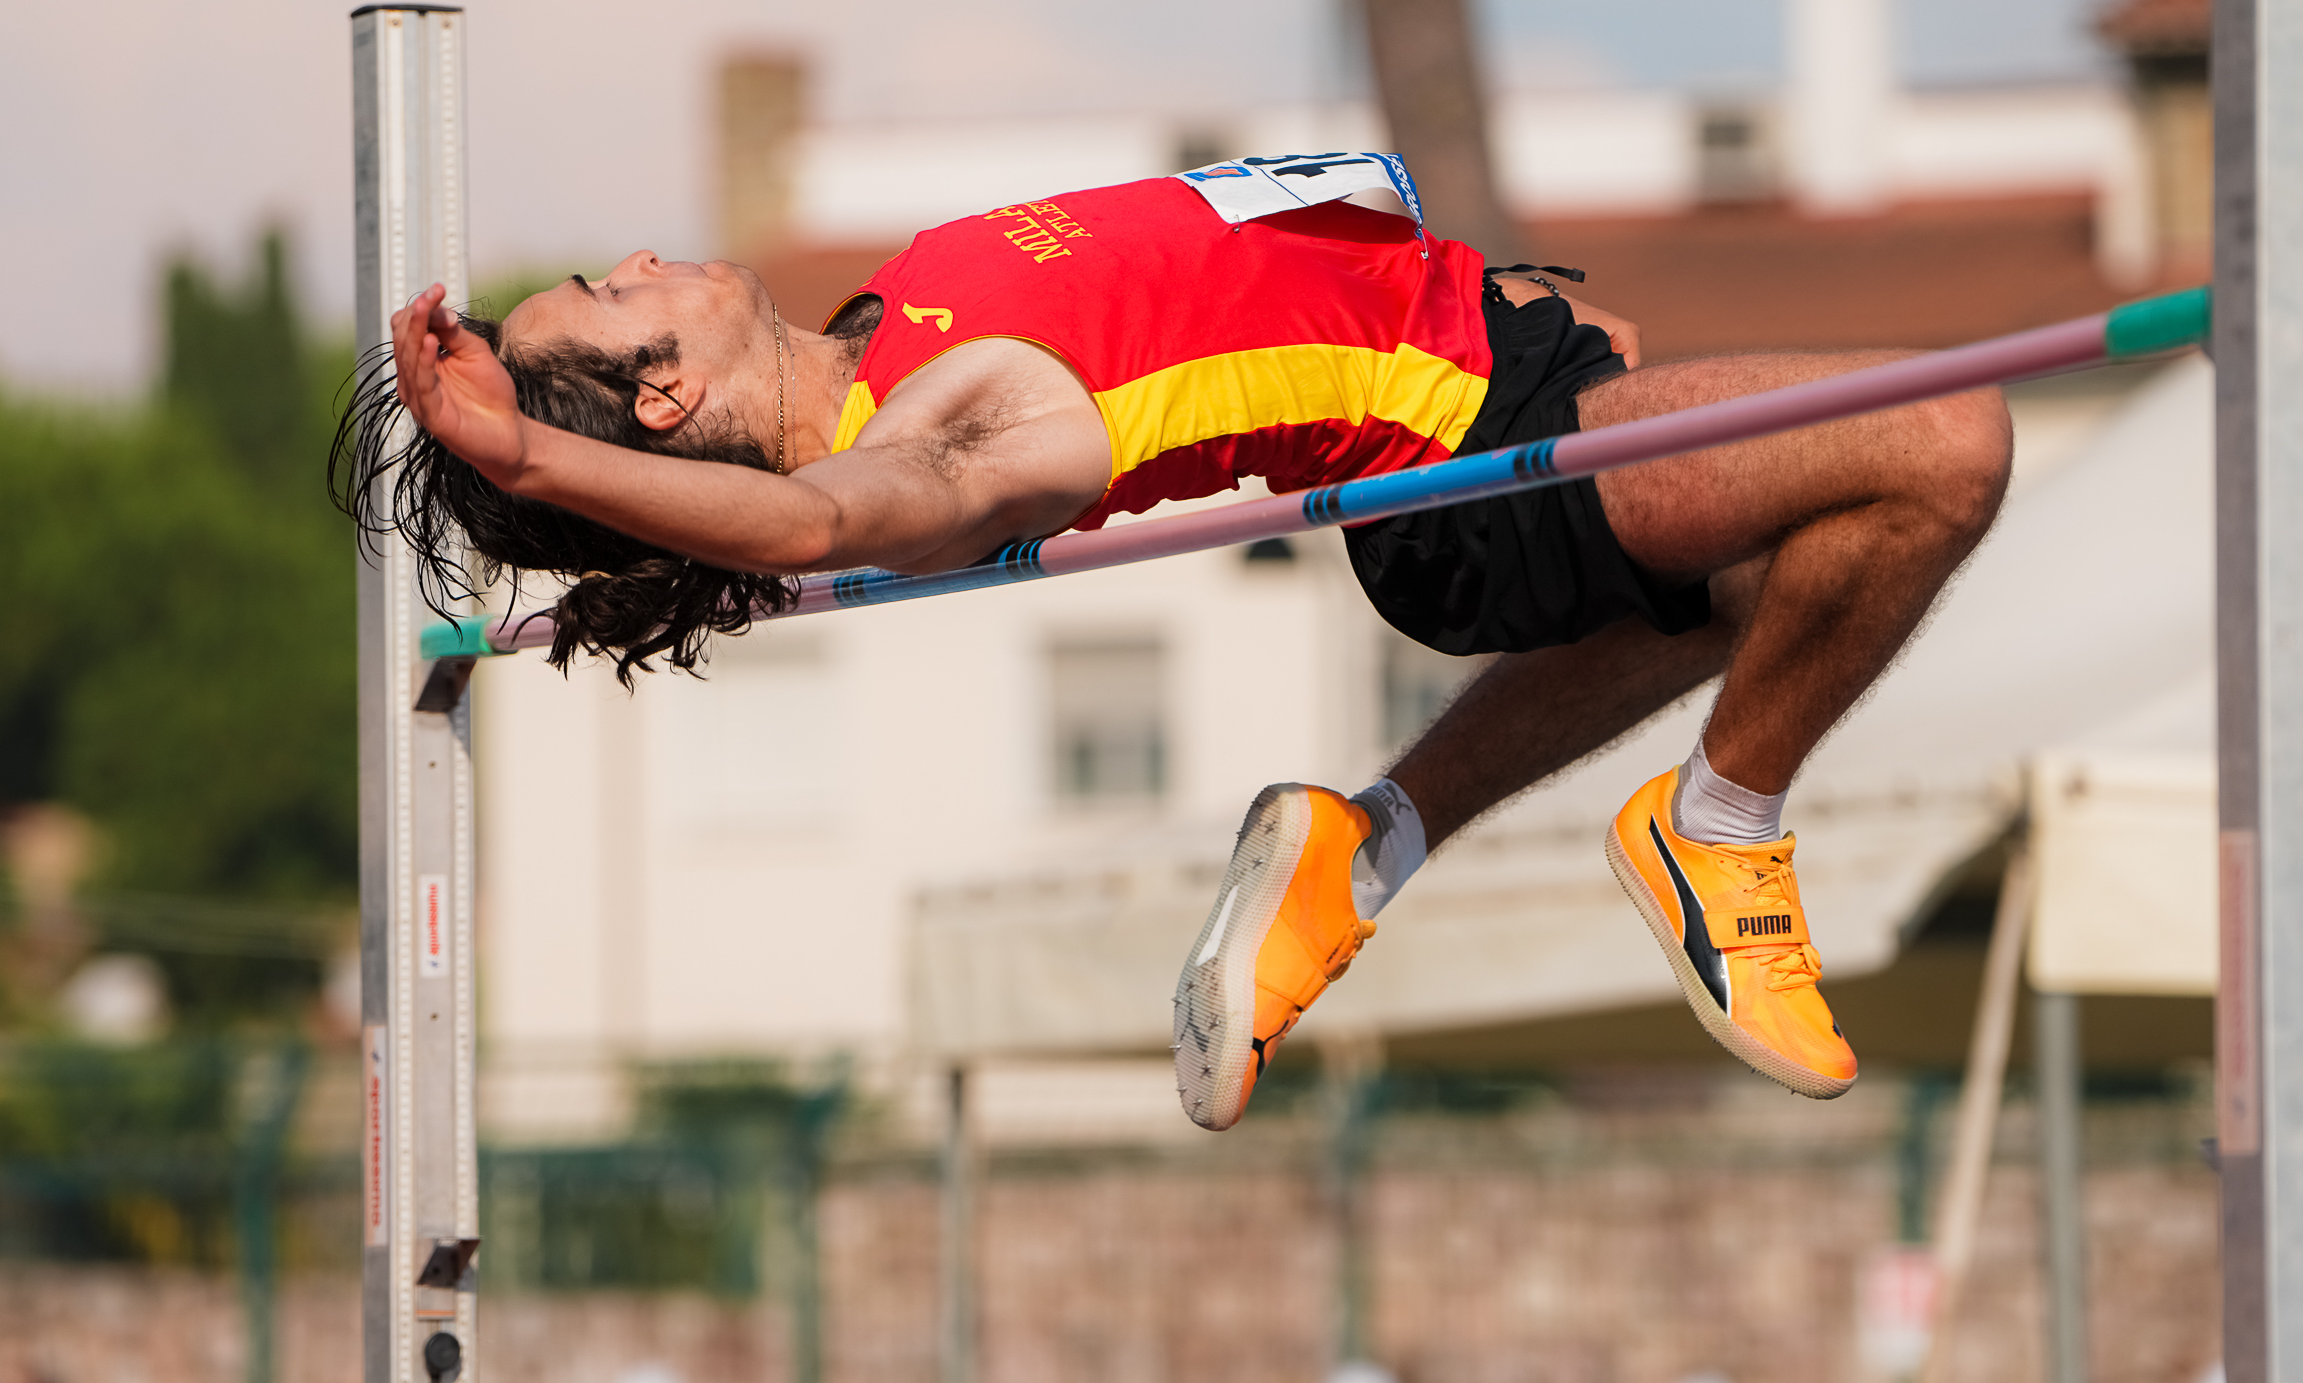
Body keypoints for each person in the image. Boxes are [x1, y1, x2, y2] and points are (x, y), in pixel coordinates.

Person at [347, 161, 2010, 1131]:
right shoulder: (948, 433)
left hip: (1499, 370)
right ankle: (1723, 824)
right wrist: (524, 459)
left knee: (1790, 582)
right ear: (663, 395)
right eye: (608, 289)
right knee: (1943, 441)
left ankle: (1370, 844)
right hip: (1474, 472)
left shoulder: (893, 319)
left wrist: (1481, 302)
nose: (640, 258)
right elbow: (809, 528)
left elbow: (1228, 280)